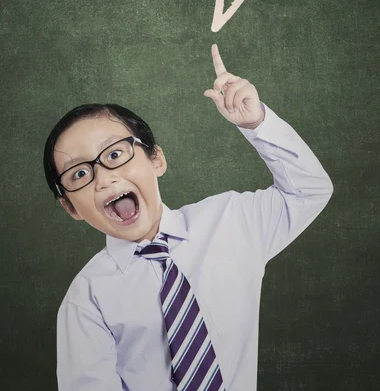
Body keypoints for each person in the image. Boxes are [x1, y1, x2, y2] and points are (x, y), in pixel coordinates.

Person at [43, 44, 333, 391]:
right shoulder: (87, 298)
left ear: (156, 159)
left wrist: (257, 123)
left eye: (115, 154)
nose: (104, 178)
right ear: (71, 208)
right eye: (79, 174)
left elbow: (308, 191)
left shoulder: (230, 222)